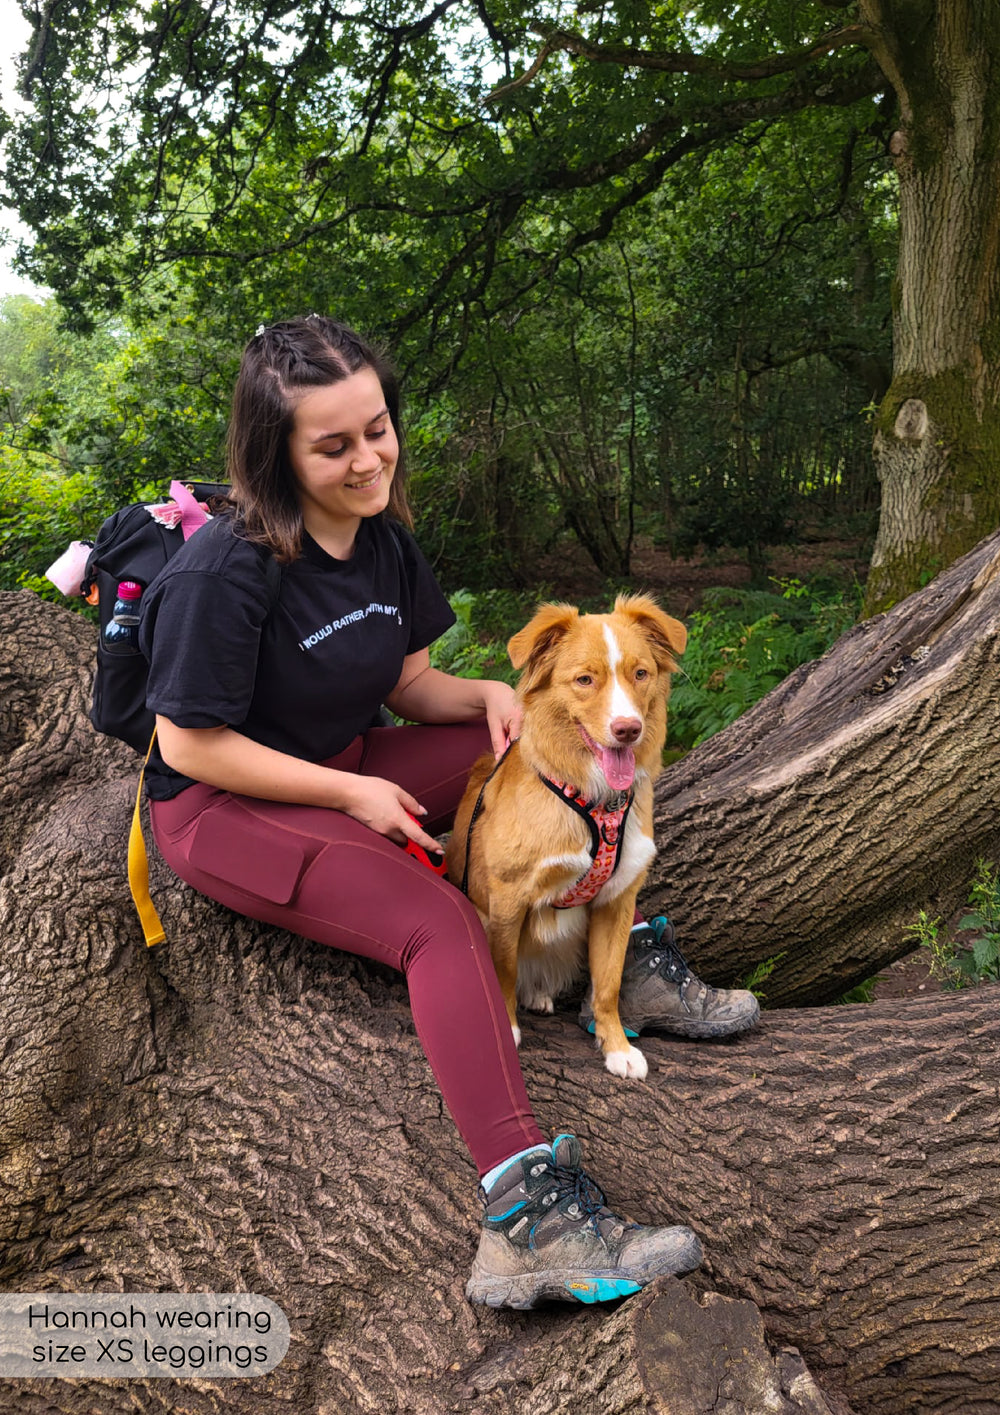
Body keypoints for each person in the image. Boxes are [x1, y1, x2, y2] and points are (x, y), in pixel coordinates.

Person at [139, 315, 754, 1310]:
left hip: (342, 756)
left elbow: (410, 684)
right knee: (441, 924)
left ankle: (613, 947)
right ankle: (525, 1221)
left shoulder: (380, 539)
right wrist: (351, 794)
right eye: (333, 445)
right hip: (225, 805)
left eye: (376, 429)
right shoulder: (228, 570)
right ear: (276, 453)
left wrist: (489, 698)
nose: (367, 459)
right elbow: (187, 744)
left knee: (543, 748)